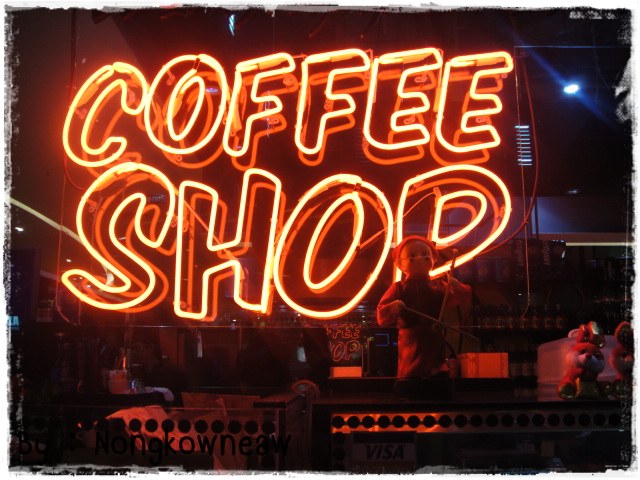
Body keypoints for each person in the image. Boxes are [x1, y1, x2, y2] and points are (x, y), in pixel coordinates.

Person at [377, 235, 471, 397]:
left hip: (434, 337)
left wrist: (455, 285)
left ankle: (435, 379)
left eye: (425, 254)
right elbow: (381, 316)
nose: (419, 258)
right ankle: (409, 382)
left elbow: (463, 297)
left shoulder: (440, 286)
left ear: (434, 259)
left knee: (436, 367)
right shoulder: (398, 287)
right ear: (399, 264)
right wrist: (392, 307)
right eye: (412, 255)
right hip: (410, 340)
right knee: (411, 370)